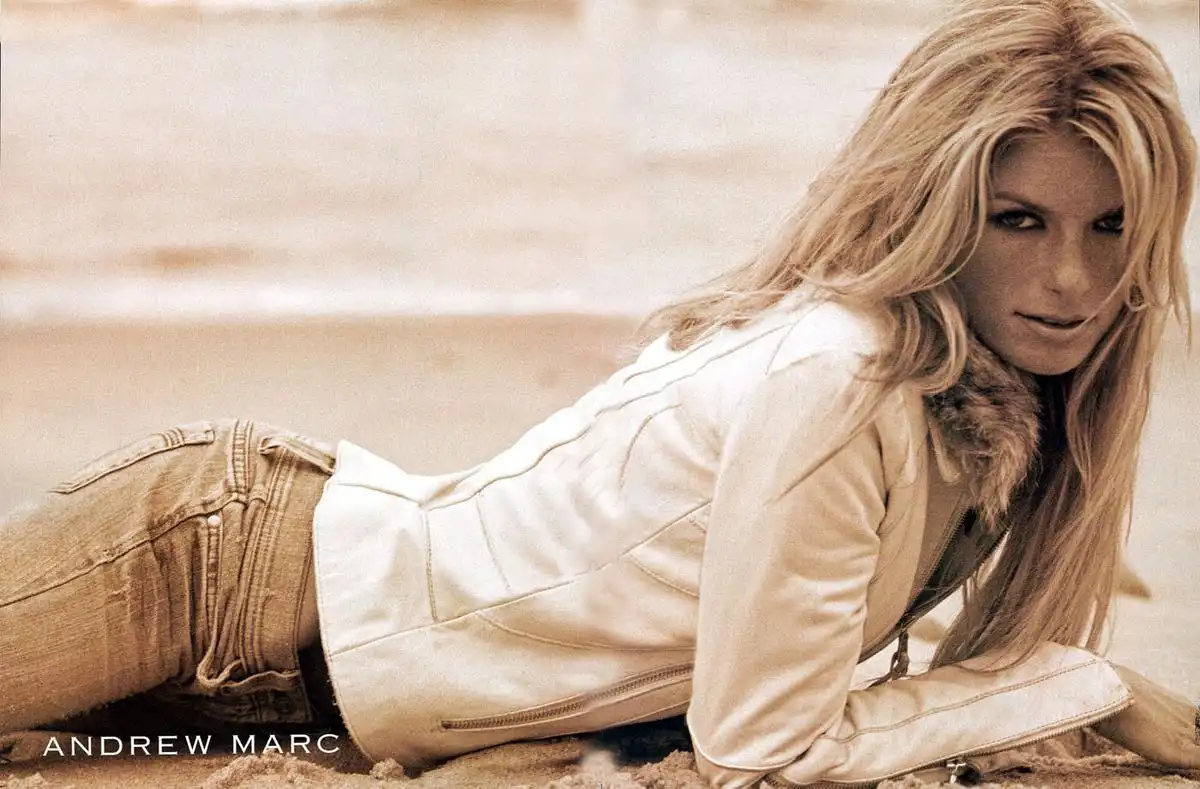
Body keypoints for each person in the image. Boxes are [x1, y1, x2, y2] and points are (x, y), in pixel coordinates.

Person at [2, 0, 1199, 785]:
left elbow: (779, 648)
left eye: (1110, 227)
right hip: (218, 568)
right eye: (1019, 221)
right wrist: (1075, 682)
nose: (1071, 279)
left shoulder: (994, 411)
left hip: (322, 699)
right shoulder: (840, 379)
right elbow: (764, 749)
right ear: (938, 207)